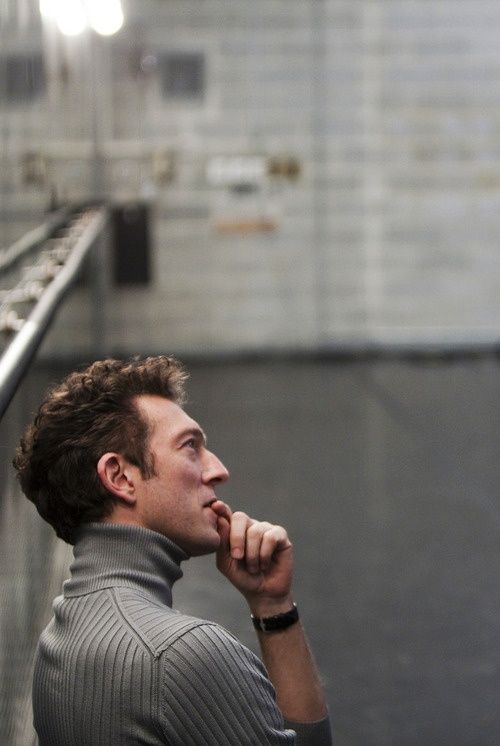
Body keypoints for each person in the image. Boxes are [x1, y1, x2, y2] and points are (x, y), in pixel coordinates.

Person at [14, 356, 332, 745]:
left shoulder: (58, 641)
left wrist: (271, 604)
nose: (218, 470)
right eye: (191, 447)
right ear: (120, 477)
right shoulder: (182, 653)